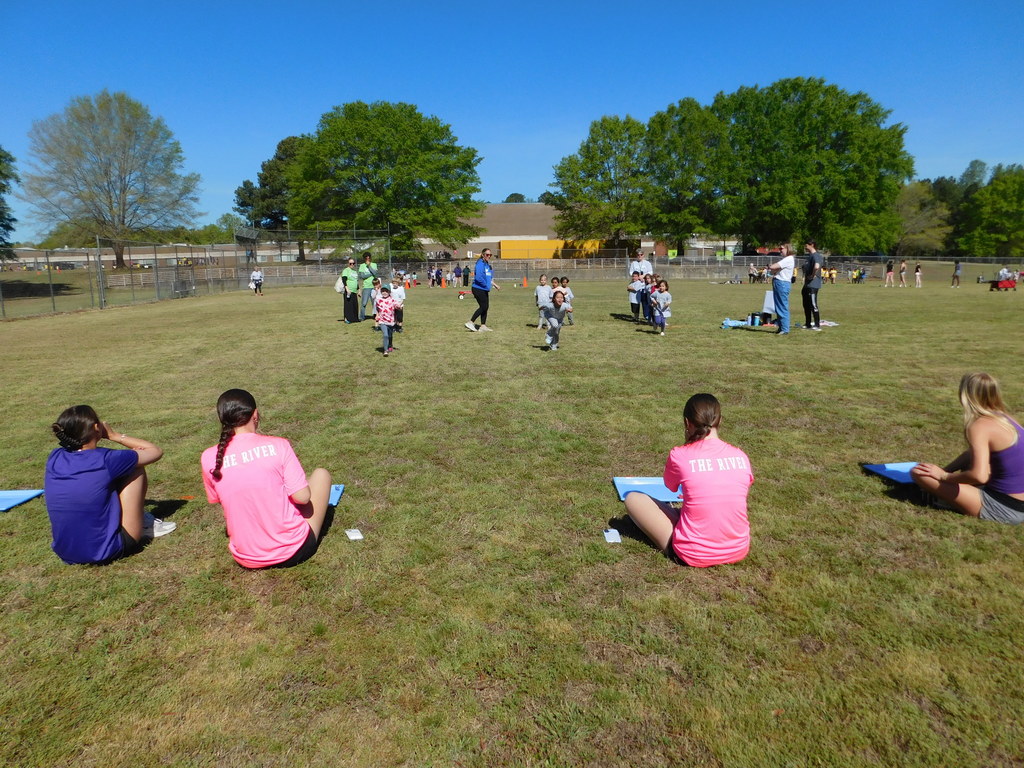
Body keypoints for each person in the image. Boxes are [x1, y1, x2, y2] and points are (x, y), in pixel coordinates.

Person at [201, 389, 332, 568]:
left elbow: (223, 499)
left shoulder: (208, 457)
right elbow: (302, 498)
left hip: (246, 558)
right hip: (293, 550)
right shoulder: (278, 445)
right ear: (255, 414)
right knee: (321, 475)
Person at [624, 393, 753, 567]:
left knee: (633, 498)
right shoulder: (741, 456)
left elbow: (670, 487)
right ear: (720, 421)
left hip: (693, 553)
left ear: (687, 423)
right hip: (738, 549)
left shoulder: (680, 454)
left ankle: (682, 545)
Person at [44, 405, 174, 565]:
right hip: (108, 549)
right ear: (96, 427)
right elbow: (154, 451)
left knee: (114, 475)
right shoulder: (106, 459)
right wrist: (114, 435)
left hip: (66, 552)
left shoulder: (54, 457)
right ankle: (142, 523)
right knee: (135, 468)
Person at [911, 373, 1024, 524]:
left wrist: (944, 477)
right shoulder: (1006, 419)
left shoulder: (979, 426)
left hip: (1005, 507)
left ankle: (944, 500)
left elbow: (979, 476)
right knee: (966, 464)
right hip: (1015, 500)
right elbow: (971, 455)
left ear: (966, 395)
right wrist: (944, 470)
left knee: (919, 473)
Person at [465, 248, 500, 331]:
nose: (489, 256)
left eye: (490, 255)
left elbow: (488, 278)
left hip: (484, 289)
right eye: (487, 254)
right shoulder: (480, 263)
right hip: (478, 288)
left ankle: (483, 326)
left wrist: (495, 285)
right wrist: (486, 285)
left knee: (485, 307)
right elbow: (478, 278)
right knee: (484, 306)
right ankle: (470, 322)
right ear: (483, 254)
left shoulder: (486, 264)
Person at [768, 244, 795, 335]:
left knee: (782, 306)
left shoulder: (788, 259)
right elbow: (772, 271)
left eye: (781, 248)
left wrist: (771, 266)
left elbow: (772, 268)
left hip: (782, 284)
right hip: (779, 283)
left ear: (788, 248)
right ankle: (781, 327)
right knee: (778, 307)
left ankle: (784, 329)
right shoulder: (786, 259)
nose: (780, 250)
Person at [801, 240, 823, 331]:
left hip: (813, 285)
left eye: (806, 245)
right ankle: (808, 323)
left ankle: (817, 325)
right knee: (806, 304)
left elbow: (817, 266)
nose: (805, 247)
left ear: (812, 245)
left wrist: (813, 275)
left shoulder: (816, 256)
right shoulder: (809, 256)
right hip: (807, 285)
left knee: (813, 304)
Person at [375, 284, 397, 356]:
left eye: (386, 291)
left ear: (389, 292)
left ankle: (390, 345)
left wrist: (399, 307)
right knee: (385, 335)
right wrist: (377, 315)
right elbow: (377, 309)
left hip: (391, 321)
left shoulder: (392, 300)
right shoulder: (379, 300)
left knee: (390, 335)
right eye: (383, 291)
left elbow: (397, 306)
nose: (384, 292)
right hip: (382, 321)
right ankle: (385, 350)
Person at [358, 252, 378, 321]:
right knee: (364, 303)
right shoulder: (362, 266)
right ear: (364, 258)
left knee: (374, 303)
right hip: (366, 287)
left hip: (374, 286)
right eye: (366, 257)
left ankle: (376, 315)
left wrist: (369, 266)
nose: (367, 259)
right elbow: (362, 276)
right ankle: (362, 317)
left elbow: (375, 274)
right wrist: (371, 274)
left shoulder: (374, 265)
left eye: (369, 257)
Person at [340, 258, 360, 323]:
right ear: (348, 264)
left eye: (353, 263)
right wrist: (347, 288)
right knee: (348, 305)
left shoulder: (355, 271)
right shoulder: (346, 270)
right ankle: (347, 318)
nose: (352, 264)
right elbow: (344, 279)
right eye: (350, 263)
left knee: (355, 305)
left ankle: (355, 318)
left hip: (354, 291)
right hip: (348, 290)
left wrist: (359, 290)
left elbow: (356, 281)